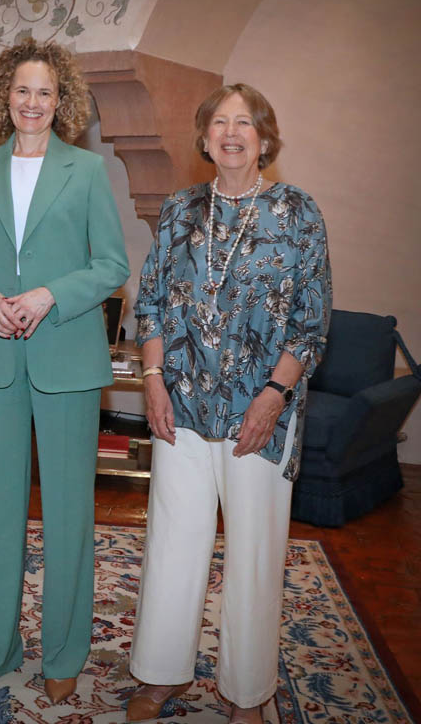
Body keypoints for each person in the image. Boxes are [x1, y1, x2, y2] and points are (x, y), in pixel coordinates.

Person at [126, 84, 331, 722]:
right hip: (180, 406)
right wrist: (153, 380)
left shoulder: (297, 212)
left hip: (260, 415)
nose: (232, 132)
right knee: (173, 543)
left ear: (264, 138)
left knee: (254, 555)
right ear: (206, 137)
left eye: (245, 122)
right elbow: (151, 301)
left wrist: (274, 395)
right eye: (221, 122)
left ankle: (248, 692)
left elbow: (310, 321)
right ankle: (161, 675)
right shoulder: (181, 209)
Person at [0, 39, 129, 704]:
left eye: (45, 91)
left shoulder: (87, 171)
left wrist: (49, 296)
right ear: (4, 96)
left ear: (61, 100)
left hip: (66, 354)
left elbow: (111, 265)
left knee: (71, 510)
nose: (33, 102)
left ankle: (65, 652)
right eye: (22, 89)